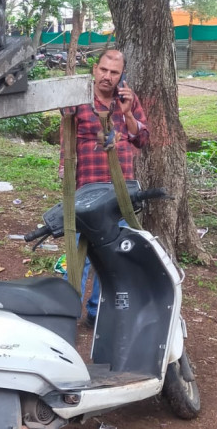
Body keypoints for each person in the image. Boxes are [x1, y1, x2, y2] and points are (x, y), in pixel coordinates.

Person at [60, 49, 149, 327]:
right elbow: (65, 130)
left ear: (121, 75)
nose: (107, 77)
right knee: (79, 255)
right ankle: (65, 312)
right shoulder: (78, 98)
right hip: (87, 191)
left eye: (114, 72)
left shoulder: (128, 101)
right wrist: (64, 168)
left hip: (120, 192)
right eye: (103, 70)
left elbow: (142, 139)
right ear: (95, 69)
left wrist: (128, 115)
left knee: (113, 255)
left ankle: (98, 312)